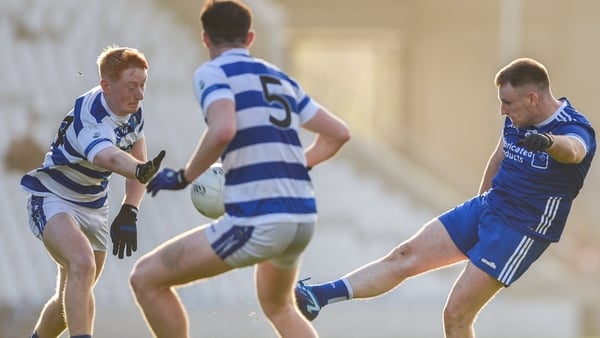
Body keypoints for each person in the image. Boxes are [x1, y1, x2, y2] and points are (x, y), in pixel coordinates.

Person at [295, 57, 596, 337]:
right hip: (489, 208)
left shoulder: (574, 127)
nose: (503, 110)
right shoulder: (518, 118)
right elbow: (499, 155)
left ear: (532, 98)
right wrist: (481, 206)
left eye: (507, 103)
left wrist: (546, 142)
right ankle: (319, 296)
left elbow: (573, 150)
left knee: (455, 316)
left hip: (520, 230)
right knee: (404, 256)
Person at [128, 1, 350, 337]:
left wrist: (184, 176)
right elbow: (338, 133)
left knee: (145, 278)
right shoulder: (279, 77)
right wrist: (294, 165)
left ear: (205, 39)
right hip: (302, 216)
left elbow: (222, 129)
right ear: (250, 37)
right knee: (280, 307)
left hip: (260, 218)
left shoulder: (213, 72)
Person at [20, 45, 165, 338]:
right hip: (53, 198)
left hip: (94, 207)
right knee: (82, 264)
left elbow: (140, 161)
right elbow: (108, 157)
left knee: (73, 297)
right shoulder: (92, 114)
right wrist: (137, 170)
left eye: (143, 85)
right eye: (132, 86)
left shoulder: (133, 111)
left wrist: (130, 209)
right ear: (105, 86)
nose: (139, 94)